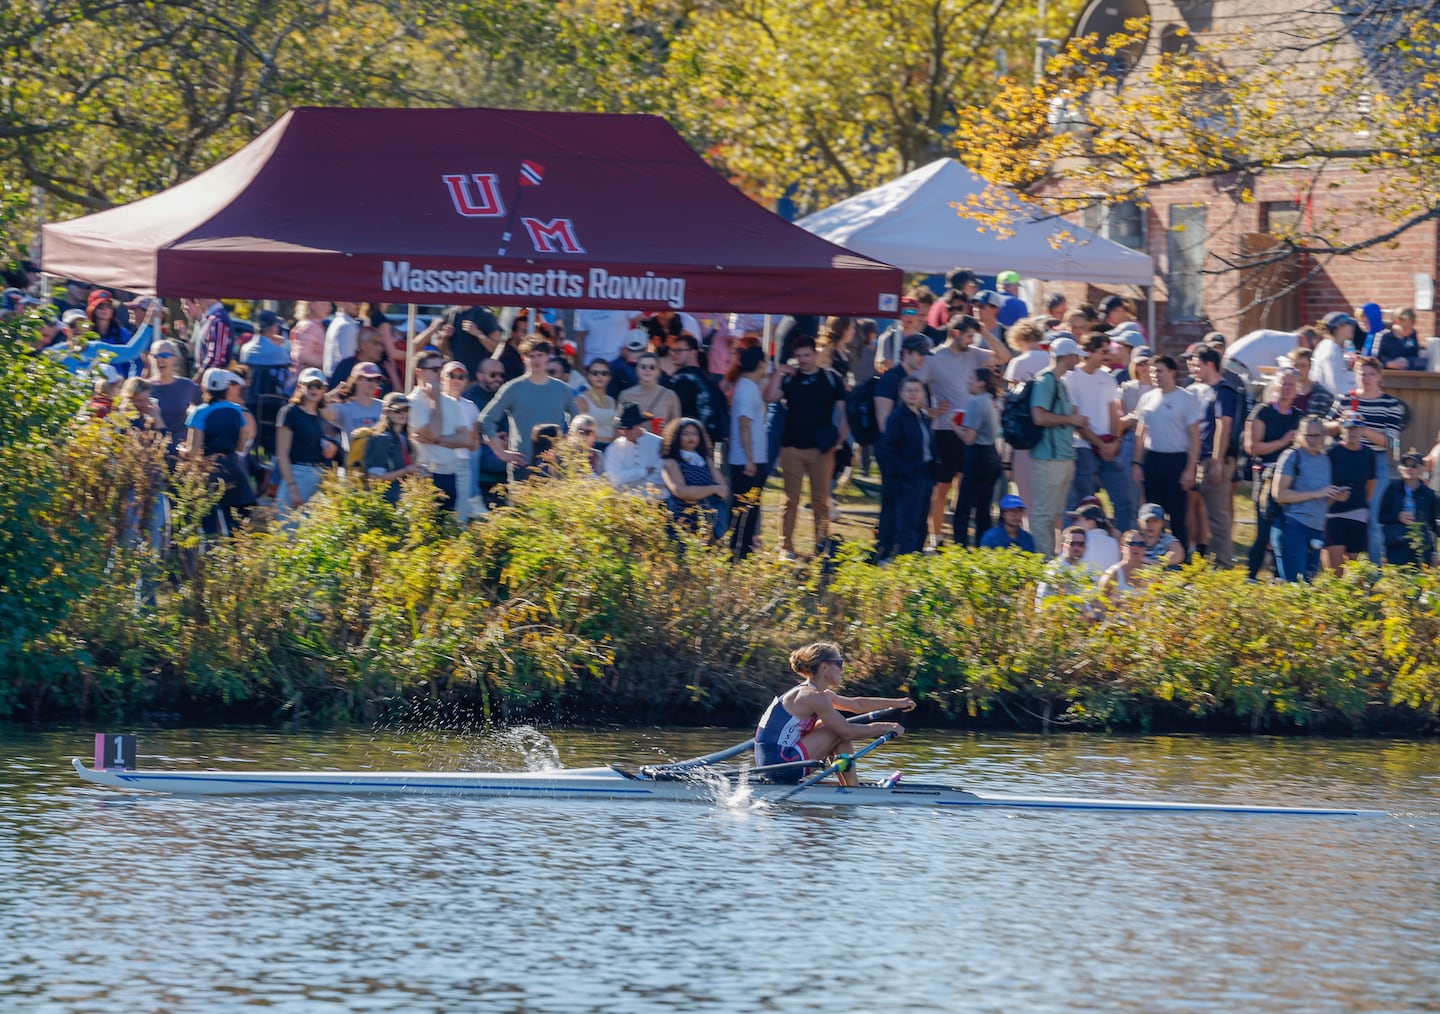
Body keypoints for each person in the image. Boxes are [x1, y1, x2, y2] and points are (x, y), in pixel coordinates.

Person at [753, 641, 913, 786]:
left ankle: (850, 787)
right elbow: (848, 732)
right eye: (840, 663)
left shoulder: (814, 694)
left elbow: (857, 704)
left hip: (772, 764)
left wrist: (897, 703)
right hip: (781, 765)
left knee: (830, 726)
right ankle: (853, 790)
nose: (843, 669)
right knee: (837, 730)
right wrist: (885, 727)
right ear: (825, 667)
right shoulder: (812, 697)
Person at [917, 313, 1012, 548]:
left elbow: (1004, 356)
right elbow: (913, 387)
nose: (972, 340)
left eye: (974, 335)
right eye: (969, 335)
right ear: (956, 333)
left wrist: (985, 332)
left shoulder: (975, 354)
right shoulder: (934, 358)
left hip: (972, 432)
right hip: (945, 431)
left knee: (967, 486)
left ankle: (962, 538)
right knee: (941, 487)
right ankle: (936, 538)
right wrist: (929, 410)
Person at [767, 334, 848, 561]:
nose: (803, 360)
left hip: (821, 450)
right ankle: (786, 546)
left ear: (815, 354)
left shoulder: (831, 379)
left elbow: (844, 413)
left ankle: (822, 546)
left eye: (807, 355)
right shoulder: (790, 378)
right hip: (791, 446)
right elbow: (770, 397)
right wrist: (779, 372)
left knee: (821, 500)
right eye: (799, 356)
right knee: (789, 499)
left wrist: (839, 442)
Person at [1324, 356, 1408, 563]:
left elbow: (1391, 442)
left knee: (1371, 517)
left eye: (1371, 374)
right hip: (1342, 459)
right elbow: (1324, 427)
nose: (1366, 378)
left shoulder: (1390, 404)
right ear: (1356, 375)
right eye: (1362, 373)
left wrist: (1363, 430)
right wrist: (1341, 423)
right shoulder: (1345, 399)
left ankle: (1373, 573)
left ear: (1379, 376)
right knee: (1333, 511)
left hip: (1373, 461)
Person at [1132, 355, 1202, 556]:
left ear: (1172, 372)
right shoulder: (1148, 397)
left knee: (1177, 514)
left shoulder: (1186, 398)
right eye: (1153, 371)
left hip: (1177, 460)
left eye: (1159, 370)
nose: (1155, 375)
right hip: (1153, 459)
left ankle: (1180, 558)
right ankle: (1152, 556)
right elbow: (1141, 433)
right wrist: (1137, 462)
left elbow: (1195, 437)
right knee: (1152, 513)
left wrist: (1191, 468)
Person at [479, 336, 579, 475]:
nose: (536, 360)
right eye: (531, 356)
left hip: (554, 466)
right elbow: (485, 420)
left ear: (547, 357)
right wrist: (502, 453)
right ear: (523, 359)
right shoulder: (513, 388)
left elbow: (578, 422)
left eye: (540, 355)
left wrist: (565, 446)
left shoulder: (562, 389)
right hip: (522, 466)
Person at [1066, 331, 1132, 534]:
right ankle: (1078, 544)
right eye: (1103, 351)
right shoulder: (1071, 378)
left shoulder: (1108, 378)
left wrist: (1116, 442)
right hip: (1083, 447)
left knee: (1124, 501)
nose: (1108, 355)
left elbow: (1114, 415)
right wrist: (1100, 444)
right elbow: (1077, 420)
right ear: (1088, 351)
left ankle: (1123, 546)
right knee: (1083, 504)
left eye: (1109, 350)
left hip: (1109, 449)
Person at [1027, 335, 1087, 556]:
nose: (1078, 361)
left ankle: (1050, 560)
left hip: (1060, 456)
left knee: (1053, 514)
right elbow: (1039, 417)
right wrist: (1072, 420)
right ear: (1067, 357)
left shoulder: (1059, 382)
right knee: (1044, 514)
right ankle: (1043, 563)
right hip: (1048, 457)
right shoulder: (1046, 381)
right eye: (1075, 356)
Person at [1184, 344, 1241, 566]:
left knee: (1218, 516)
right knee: (1192, 509)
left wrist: (1217, 461)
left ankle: (1223, 564)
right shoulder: (1200, 390)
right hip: (1198, 459)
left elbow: (1223, 427)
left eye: (1197, 366)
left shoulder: (1223, 391)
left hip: (1214, 461)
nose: (1193, 370)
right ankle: (1195, 556)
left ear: (1210, 365)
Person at [183, 368, 258, 535]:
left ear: (204, 387)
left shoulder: (198, 412)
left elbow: (194, 450)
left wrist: (181, 450)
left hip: (207, 471)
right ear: (226, 388)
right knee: (236, 527)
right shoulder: (236, 410)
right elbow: (243, 440)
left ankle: (209, 559)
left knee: (207, 528)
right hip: (232, 468)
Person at [1244, 369, 1302, 580]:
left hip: (1289, 480)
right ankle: (1251, 575)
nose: (1286, 389)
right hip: (1266, 477)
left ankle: (1280, 577)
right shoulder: (1263, 411)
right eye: (1283, 384)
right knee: (1264, 530)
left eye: (1291, 385)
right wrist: (1282, 442)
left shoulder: (1298, 417)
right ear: (1275, 386)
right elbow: (1252, 447)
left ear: (1296, 390)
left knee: (1286, 532)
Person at [1271, 417, 1345, 583]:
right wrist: (1317, 493)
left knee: (1308, 587)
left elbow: (1322, 500)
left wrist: (1334, 496)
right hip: (1293, 526)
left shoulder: (1324, 459)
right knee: (1294, 586)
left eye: (1317, 435)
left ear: (1323, 435)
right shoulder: (1291, 456)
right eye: (1308, 435)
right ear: (1299, 435)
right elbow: (1279, 495)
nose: (1312, 440)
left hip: (1316, 529)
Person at [876, 376, 936, 559]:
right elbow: (889, 449)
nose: (913, 394)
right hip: (908, 476)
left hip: (925, 474)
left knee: (921, 519)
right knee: (907, 520)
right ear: (901, 393)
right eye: (909, 390)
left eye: (917, 390)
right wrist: (905, 470)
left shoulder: (924, 417)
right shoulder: (897, 417)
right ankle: (904, 559)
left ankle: (915, 557)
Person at [408, 351, 468, 512]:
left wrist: (437, 440)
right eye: (434, 369)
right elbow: (432, 432)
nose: (439, 373)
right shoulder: (411, 403)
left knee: (447, 530)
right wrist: (435, 402)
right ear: (419, 372)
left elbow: (465, 439)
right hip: (427, 474)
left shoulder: (450, 401)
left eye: (441, 368)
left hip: (450, 472)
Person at [273, 367, 336, 520]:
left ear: (324, 389)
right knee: (287, 533)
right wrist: (292, 487)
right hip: (296, 474)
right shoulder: (289, 412)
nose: (314, 389)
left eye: (318, 386)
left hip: (319, 476)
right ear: (300, 386)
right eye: (309, 385)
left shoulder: (321, 415)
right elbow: (282, 453)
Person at [727, 345, 770, 559]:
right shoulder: (746, 389)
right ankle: (739, 552)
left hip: (751, 458)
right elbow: (744, 424)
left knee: (750, 508)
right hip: (746, 460)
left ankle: (742, 550)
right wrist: (750, 460)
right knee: (746, 507)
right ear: (761, 363)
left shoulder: (749, 386)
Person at [954, 367, 1002, 547]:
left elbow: (969, 438)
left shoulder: (976, 403)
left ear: (982, 383)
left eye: (972, 378)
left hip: (978, 457)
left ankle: (960, 548)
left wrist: (954, 426)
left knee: (963, 509)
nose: (968, 381)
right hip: (992, 456)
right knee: (984, 508)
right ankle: (984, 547)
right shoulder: (993, 401)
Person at [1323, 412, 1377, 572]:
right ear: (1342, 430)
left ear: (1362, 430)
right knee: (1335, 570)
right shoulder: (1332, 452)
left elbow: (1371, 482)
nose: (1353, 432)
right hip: (1333, 513)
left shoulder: (1368, 454)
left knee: (1356, 569)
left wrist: (1362, 502)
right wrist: (1335, 495)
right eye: (1349, 428)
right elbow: (1323, 482)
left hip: (1358, 513)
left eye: (1356, 429)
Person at [660, 418, 730, 539]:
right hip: (682, 519)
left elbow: (723, 491)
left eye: (695, 433)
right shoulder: (671, 462)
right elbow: (681, 491)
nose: (691, 438)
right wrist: (712, 489)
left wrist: (696, 493)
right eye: (685, 433)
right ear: (676, 436)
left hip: (708, 520)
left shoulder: (706, 460)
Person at [360, 392, 428, 503]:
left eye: (406, 409)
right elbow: (374, 479)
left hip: (401, 500)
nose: (403, 414)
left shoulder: (404, 437)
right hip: (384, 504)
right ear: (387, 412)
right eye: (397, 410)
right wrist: (406, 470)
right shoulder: (381, 439)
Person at [1378, 450, 1439, 565]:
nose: (1409, 468)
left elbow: (1432, 525)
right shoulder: (1392, 489)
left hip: (1420, 544)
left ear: (1422, 469)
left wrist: (1434, 553)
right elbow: (1381, 517)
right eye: (1405, 465)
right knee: (1397, 578)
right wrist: (1398, 517)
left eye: (1414, 466)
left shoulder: (1428, 494)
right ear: (1400, 468)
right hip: (1397, 543)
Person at [442, 361, 483, 520]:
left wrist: (453, 440)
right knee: (436, 513)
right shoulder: (434, 402)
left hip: (463, 465)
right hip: (439, 464)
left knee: (461, 516)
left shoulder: (471, 407)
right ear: (442, 377)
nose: (456, 380)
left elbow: (473, 443)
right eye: (451, 375)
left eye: (461, 376)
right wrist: (461, 440)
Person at [143, 338, 201, 450]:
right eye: (155, 356)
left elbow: (205, 406)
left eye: (164, 355)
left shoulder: (187, 385)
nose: (159, 359)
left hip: (180, 452)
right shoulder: (146, 387)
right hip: (154, 450)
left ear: (175, 358)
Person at [604, 403, 664, 496]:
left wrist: (630, 480)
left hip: (657, 499)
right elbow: (615, 478)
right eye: (621, 428)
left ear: (639, 425)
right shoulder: (613, 448)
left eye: (628, 427)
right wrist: (644, 472)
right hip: (626, 501)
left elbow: (660, 477)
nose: (624, 432)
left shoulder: (659, 443)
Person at [1310, 311, 1358, 402]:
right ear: (1339, 326)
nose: (1352, 327)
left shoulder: (1326, 345)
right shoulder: (1332, 349)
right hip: (1327, 403)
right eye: (1349, 324)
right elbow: (1334, 386)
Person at [574, 358, 619, 447]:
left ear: (609, 377)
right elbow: (578, 431)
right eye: (595, 373)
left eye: (604, 373)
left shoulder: (613, 402)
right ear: (588, 376)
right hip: (590, 448)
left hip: (612, 448)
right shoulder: (581, 400)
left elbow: (617, 430)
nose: (599, 376)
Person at [1099, 530, 1153, 600]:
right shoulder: (1113, 573)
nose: (1136, 547)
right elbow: (1100, 602)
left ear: (1145, 549)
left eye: (1141, 544)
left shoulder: (1151, 573)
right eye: (1131, 544)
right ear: (1122, 548)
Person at [1287, 346, 1335, 418]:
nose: (1298, 370)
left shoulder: (1323, 394)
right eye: (1295, 366)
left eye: (1303, 366)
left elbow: (1328, 419)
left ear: (1311, 367)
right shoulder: (1285, 390)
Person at [1136, 503, 1185, 567]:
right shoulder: (1135, 538)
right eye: (1147, 521)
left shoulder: (1166, 539)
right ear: (1139, 522)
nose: (1151, 525)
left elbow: (1178, 553)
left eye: (1155, 521)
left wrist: (1154, 564)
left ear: (1162, 523)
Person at [289, 300, 331, 373]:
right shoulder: (309, 326)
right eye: (324, 304)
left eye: (329, 305)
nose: (329, 308)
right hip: (307, 378)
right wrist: (329, 364)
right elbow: (303, 356)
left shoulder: (314, 325)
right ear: (312, 305)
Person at [322, 301, 362, 376]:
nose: (359, 305)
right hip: (341, 381)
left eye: (360, 301)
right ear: (342, 303)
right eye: (355, 302)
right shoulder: (346, 326)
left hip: (335, 379)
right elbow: (346, 363)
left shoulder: (338, 322)